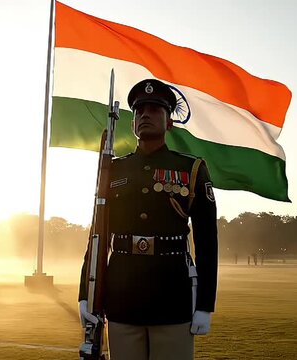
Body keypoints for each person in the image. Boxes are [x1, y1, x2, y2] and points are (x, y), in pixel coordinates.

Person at [78, 79, 219, 360]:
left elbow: (207, 241)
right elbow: (99, 236)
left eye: (155, 109)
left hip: (172, 297)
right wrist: (86, 292)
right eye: (139, 110)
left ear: (169, 122)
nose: (145, 114)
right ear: (132, 123)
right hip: (121, 297)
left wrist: (205, 304)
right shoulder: (113, 169)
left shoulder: (190, 169)